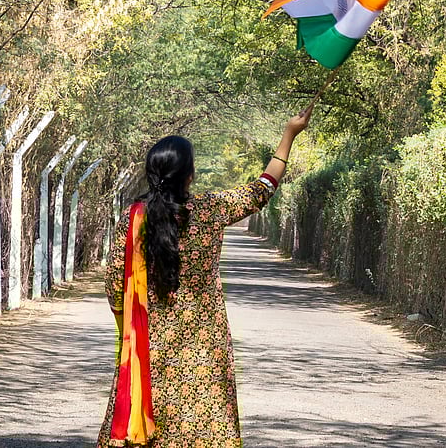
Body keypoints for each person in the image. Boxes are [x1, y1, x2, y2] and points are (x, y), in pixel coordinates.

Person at [97, 107, 312, 447]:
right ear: (190, 175)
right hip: (205, 345)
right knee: (205, 428)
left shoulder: (134, 219)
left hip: (148, 346)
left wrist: (129, 332)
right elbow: (263, 187)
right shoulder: (211, 210)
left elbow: (114, 288)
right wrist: (289, 134)